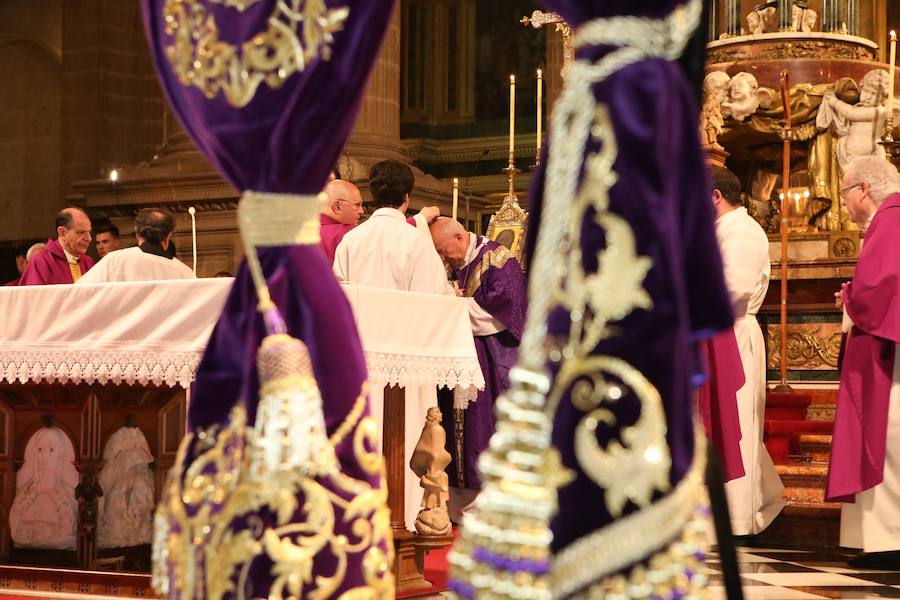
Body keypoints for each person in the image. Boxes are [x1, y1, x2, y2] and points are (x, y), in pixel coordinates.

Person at [333, 159, 452, 531]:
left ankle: (360, 517)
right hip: (407, 361)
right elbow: (433, 300)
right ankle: (403, 514)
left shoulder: (351, 239)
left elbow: (337, 299)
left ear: (371, 196)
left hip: (358, 360)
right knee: (408, 434)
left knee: (362, 434)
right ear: (406, 197)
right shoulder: (413, 241)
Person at [827, 156, 900, 568]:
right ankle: (881, 539)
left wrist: (853, 297)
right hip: (888, 346)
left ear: (863, 190)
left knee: (887, 440)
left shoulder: (890, 221)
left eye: (844, 193)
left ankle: (890, 542)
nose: (844, 203)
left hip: (887, 356)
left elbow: (880, 292)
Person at [429, 217, 525, 522]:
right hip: (464, 358)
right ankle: (459, 507)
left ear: (459, 237)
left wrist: (452, 304)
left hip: (493, 358)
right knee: (461, 433)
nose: (445, 259)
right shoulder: (463, 263)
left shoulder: (498, 260)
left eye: (445, 252)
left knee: (481, 430)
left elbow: (502, 315)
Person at [711, 165, 785, 536]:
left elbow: (733, 289)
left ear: (714, 196)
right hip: (714, 335)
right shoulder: (721, 230)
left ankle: (737, 521)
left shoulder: (742, 232)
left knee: (735, 424)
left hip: (733, 334)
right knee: (722, 424)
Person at [333, 160, 449, 294]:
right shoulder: (419, 242)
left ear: (374, 195)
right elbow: (432, 297)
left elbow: (339, 294)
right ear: (406, 197)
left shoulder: (350, 240)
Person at [319, 178, 440, 264]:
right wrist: (419, 219)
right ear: (337, 206)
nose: (361, 211)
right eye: (357, 205)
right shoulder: (340, 234)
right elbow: (380, 232)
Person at [77, 208, 194, 283]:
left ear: (137, 232)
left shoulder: (115, 261)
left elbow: (78, 293)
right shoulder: (186, 274)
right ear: (169, 235)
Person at [19, 208, 94, 285]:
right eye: (81, 232)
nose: (89, 239)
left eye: (89, 232)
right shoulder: (41, 262)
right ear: (62, 232)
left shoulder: (88, 262)